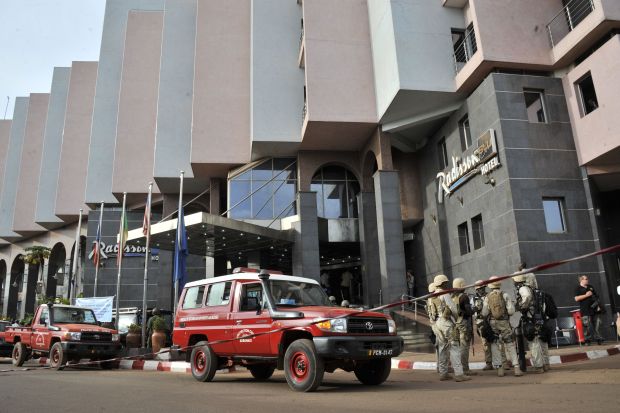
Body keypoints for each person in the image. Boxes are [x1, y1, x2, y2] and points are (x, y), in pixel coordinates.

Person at [428, 274, 470, 382]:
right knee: (454, 346)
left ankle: (443, 373)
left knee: (442, 348)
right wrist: (456, 319)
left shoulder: (431, 297)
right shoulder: (444, 294)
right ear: (442, 283)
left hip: (437, 324)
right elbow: (453, 309)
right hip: (446, 322)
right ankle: (459, 374)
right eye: (445, 282)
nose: (447, 284)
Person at [481, 276, 523, 377]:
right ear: (499, 284)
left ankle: (500, 369)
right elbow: (511, 311)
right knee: (510, 344)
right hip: (504, 322)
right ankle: (516, 368)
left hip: (493, 323)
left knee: (495, 345)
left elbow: (484, 312)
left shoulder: (487, 297)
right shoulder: (505, 295)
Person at [513, 274, 545, 373]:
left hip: (530, 318)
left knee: (533, 342)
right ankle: (541, 365)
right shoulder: (530, 287)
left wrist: (521, 306)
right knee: (536, 341)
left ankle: (539, 366)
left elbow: (526, 297)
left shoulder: (523, 288)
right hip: (534, 317)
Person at [452, 278, 477, 376]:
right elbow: (468, 311)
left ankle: (459, 368)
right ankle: (465, 369)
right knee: (465, 347)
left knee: (458, 347)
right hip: (464, 324)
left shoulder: (452, 296)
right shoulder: (464, 297)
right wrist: (474, 310)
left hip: (456, 323)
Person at [574, 275, 604, 345]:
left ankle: (599, 339)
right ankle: (587, 340)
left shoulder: (590, 287)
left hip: (594, 309)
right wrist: (586, 295)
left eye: (587, 279)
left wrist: (598, 305)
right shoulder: (578, 288)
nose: (587, 280)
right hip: (585, 310)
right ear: (581, 280)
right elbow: (576, 299)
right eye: (586, 279)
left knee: (597, 325)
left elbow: (596, 296)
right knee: (587, 326)